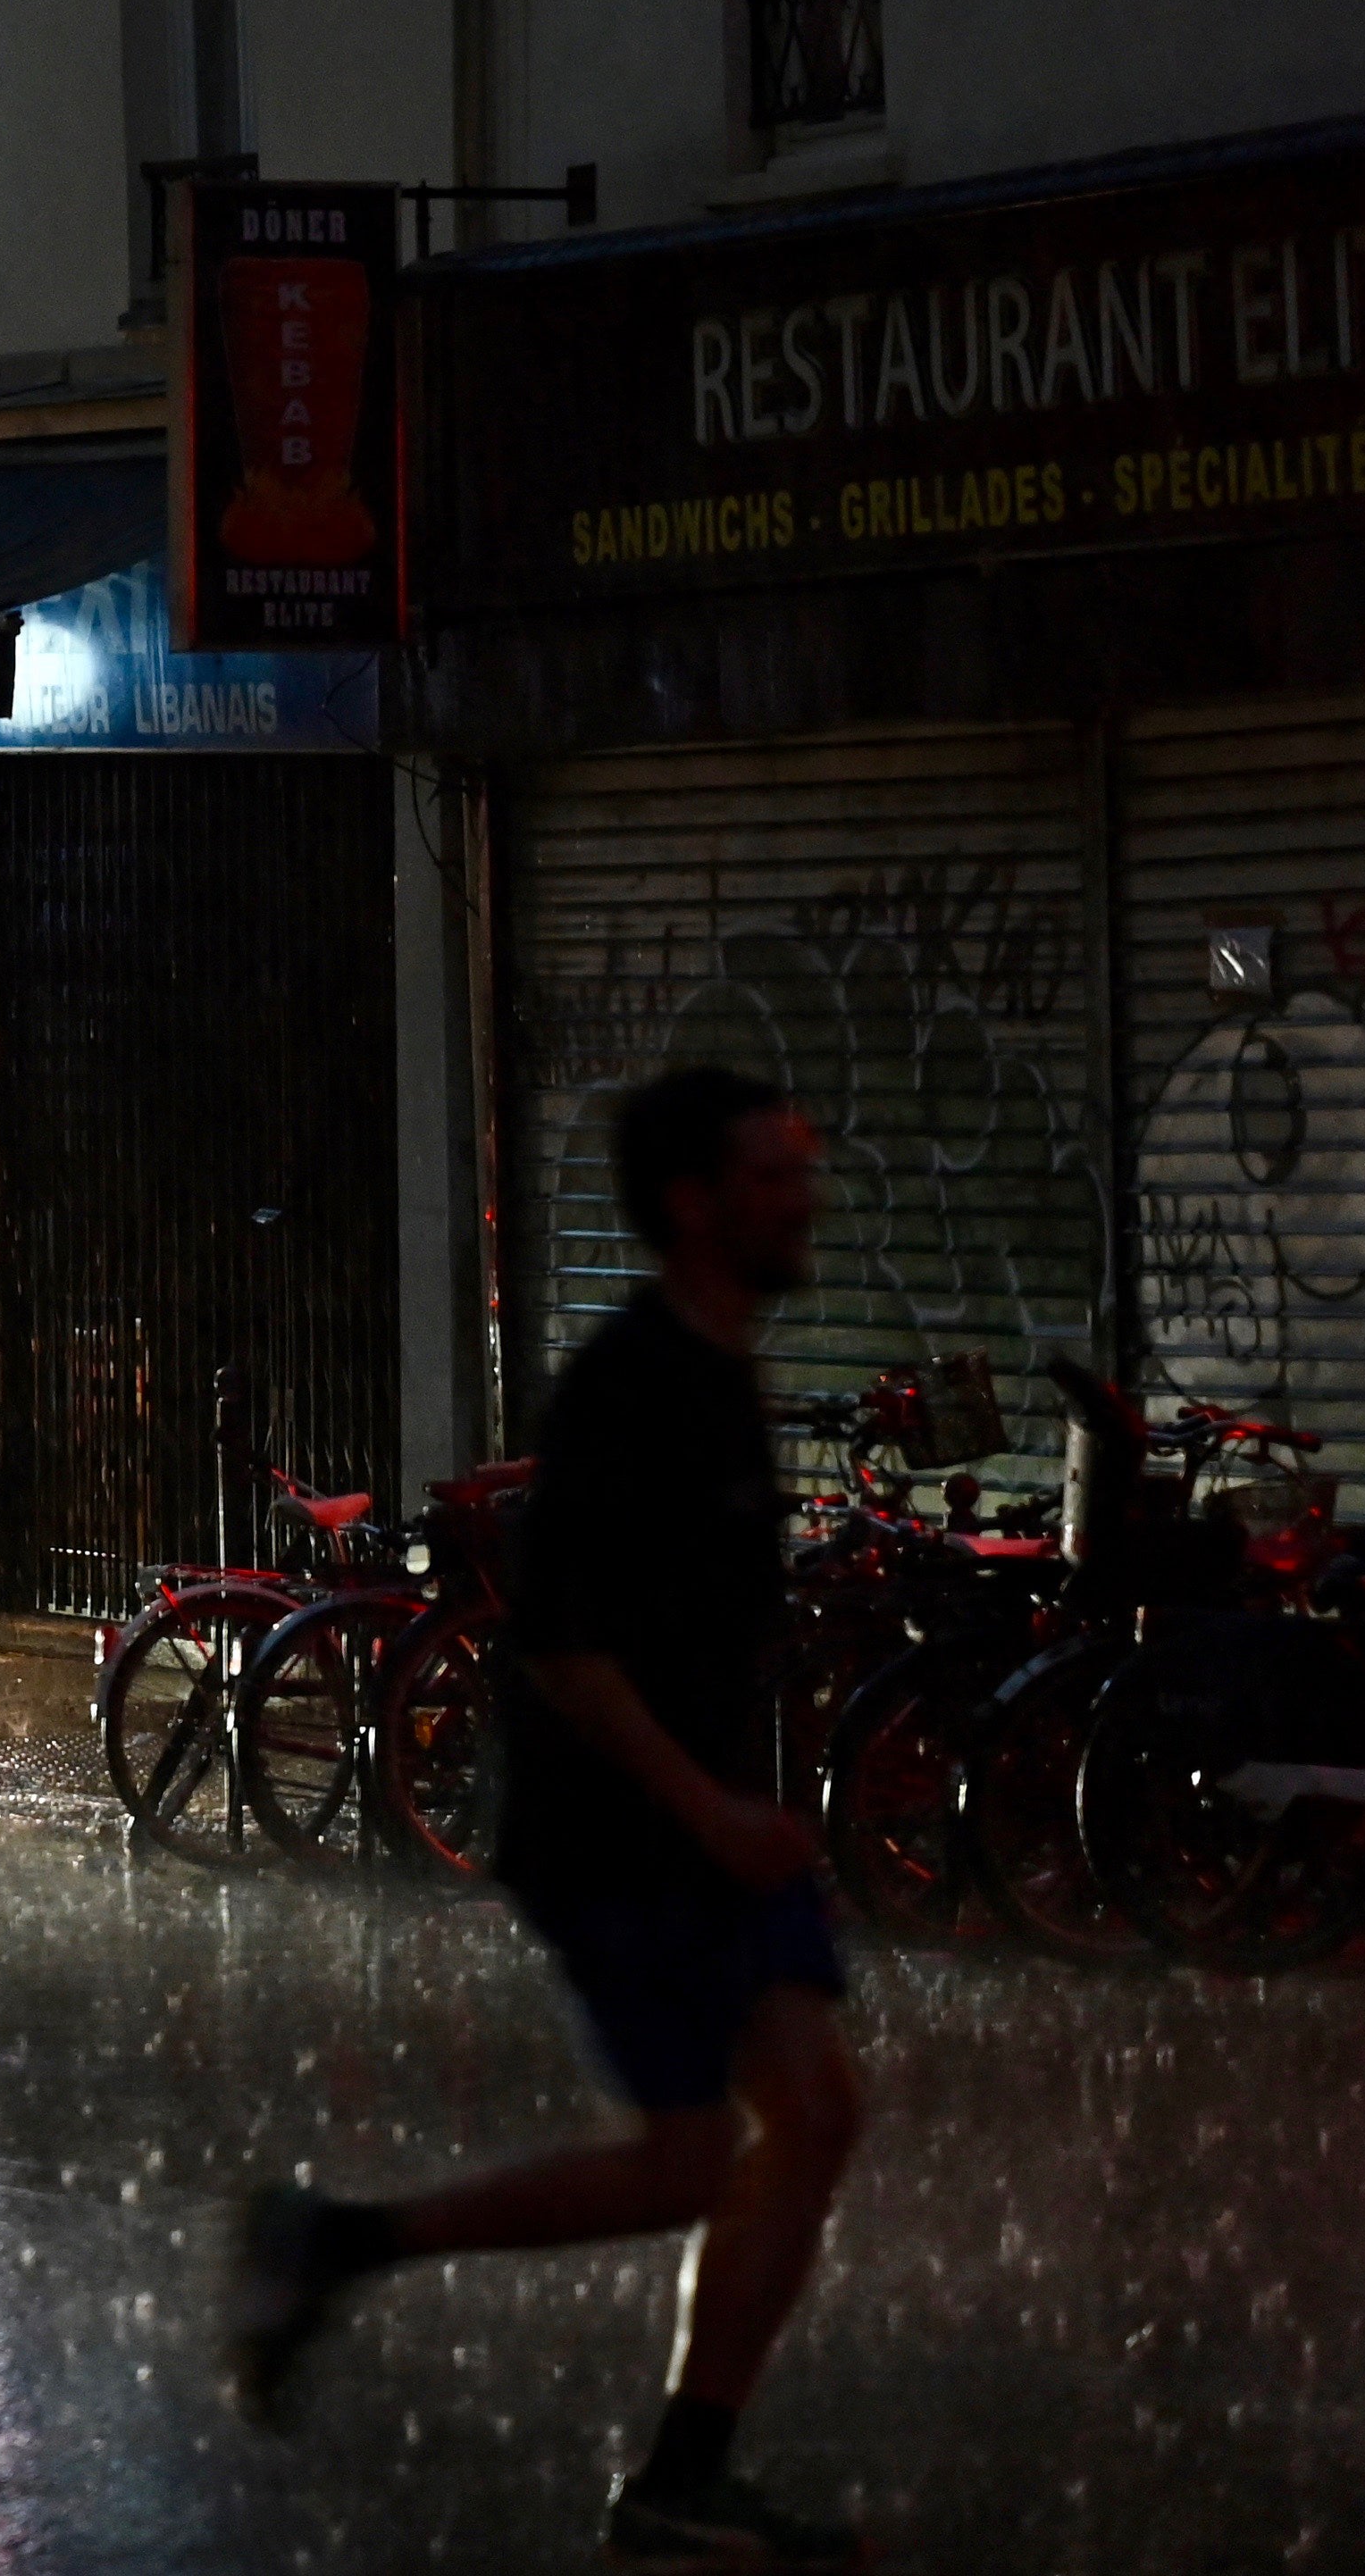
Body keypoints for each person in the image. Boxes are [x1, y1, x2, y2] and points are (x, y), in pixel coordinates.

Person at [227, 1065, 869, 2570]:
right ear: (694, 1203)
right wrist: (712, 1809)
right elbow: (566, 1652)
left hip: (714, 1822)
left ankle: (683, 2475)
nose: (803, 1198)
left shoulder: (721, 1370)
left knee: (817, 2114)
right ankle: (335, 2241)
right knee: (686, 2162)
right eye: (771, 1175)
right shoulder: (630, 1387)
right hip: (622, 1834)